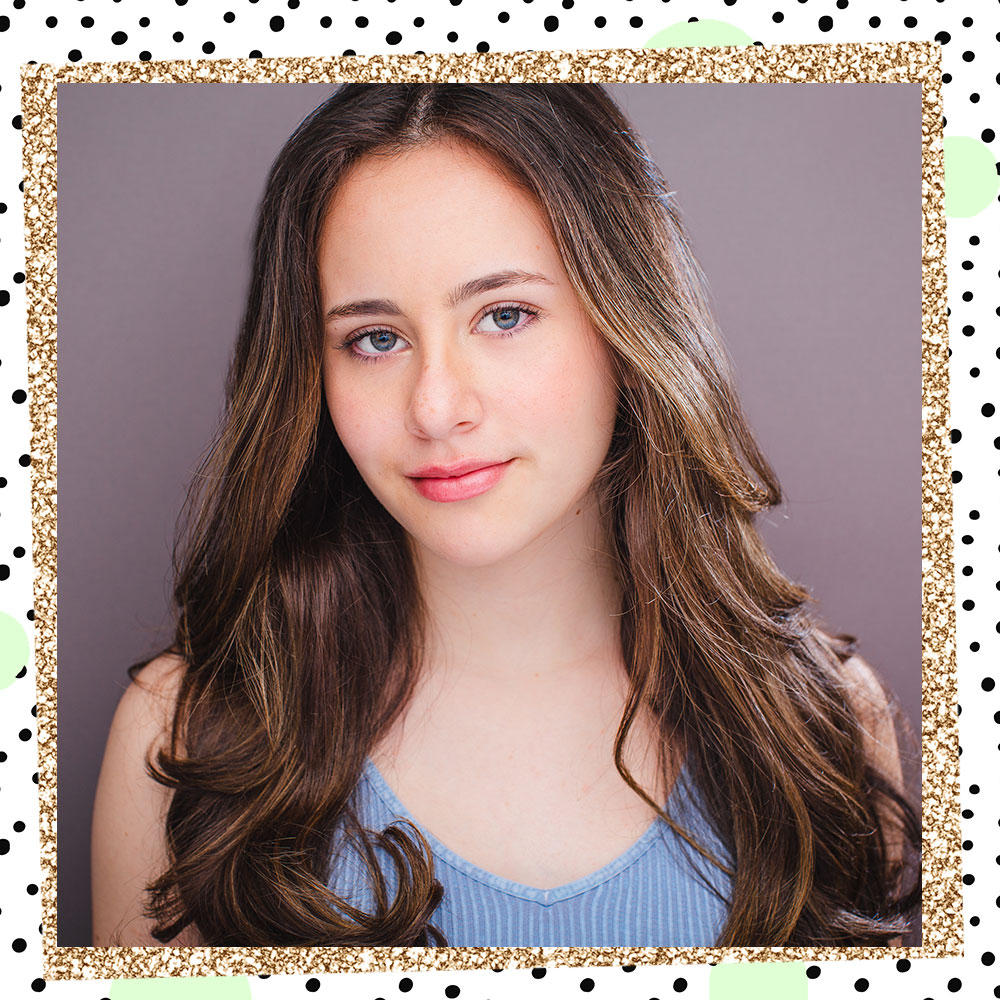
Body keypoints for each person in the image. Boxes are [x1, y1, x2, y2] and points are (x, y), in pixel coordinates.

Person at [91, 83, 919, 948]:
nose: (437, 407)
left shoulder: (822, 722)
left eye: (505, 315)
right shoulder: (187, 735)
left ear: (627, 330)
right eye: (375, 338)